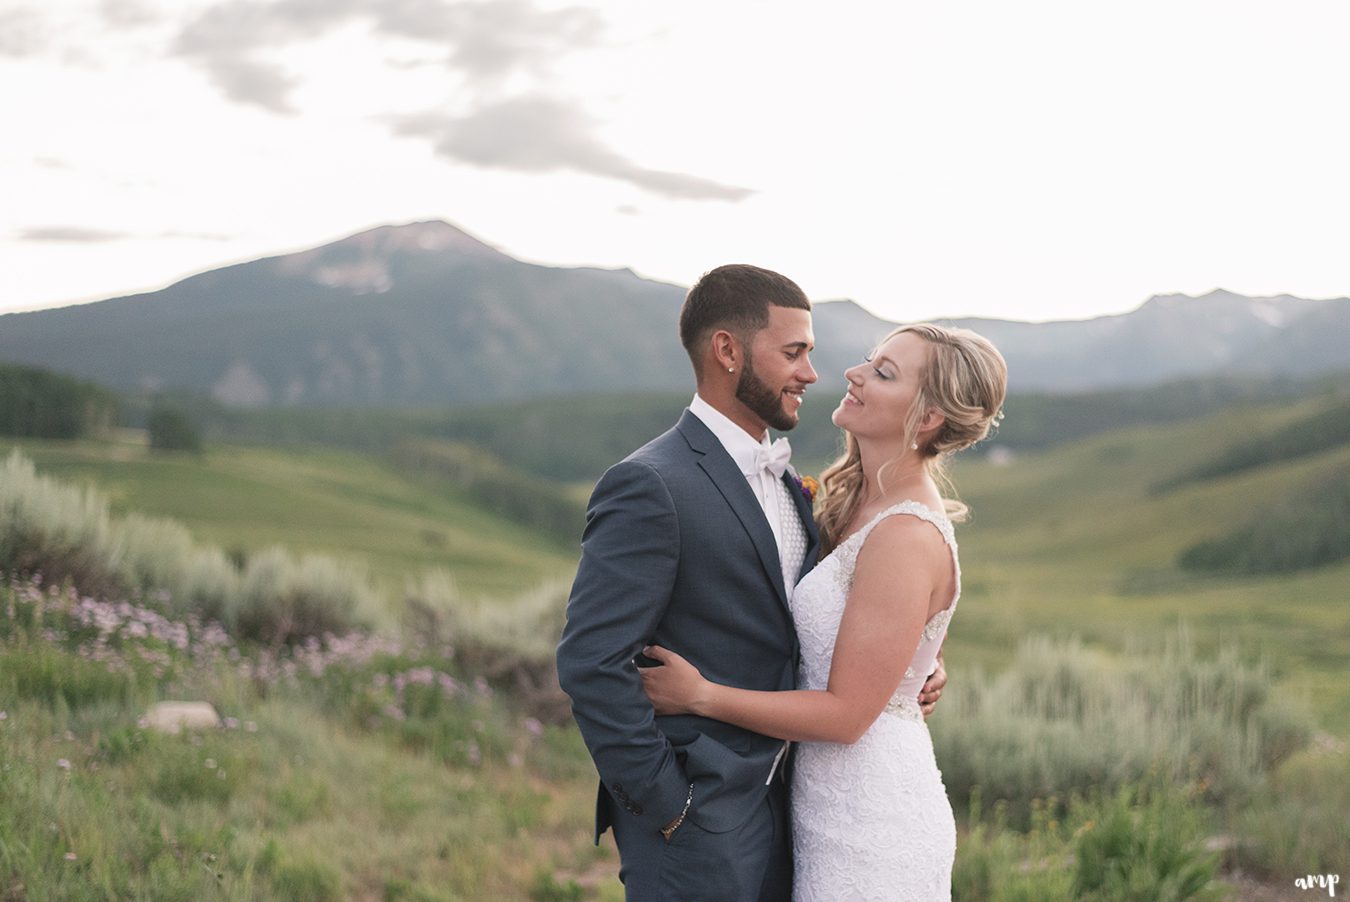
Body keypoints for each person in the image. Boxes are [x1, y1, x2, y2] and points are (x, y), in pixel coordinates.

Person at [556, 265, 949, 901]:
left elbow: (827, 613)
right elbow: (589, 661)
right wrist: (670, 808)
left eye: (811, 353)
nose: (812, 374)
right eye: (793, 353)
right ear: (728, 351)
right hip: (697, 823)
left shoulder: (795, 490)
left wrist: (913, 665)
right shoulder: (651, 483)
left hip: (800, 816)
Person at [641, 322, 1007, 901]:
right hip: (822, 808)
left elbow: (846, 716)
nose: (853, 374)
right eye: (868, 360)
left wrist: (699, 696)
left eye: (883, 373)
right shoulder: (858, 498)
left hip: (873, 823)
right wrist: (918, 664)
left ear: (930, 418)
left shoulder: (906, 532)